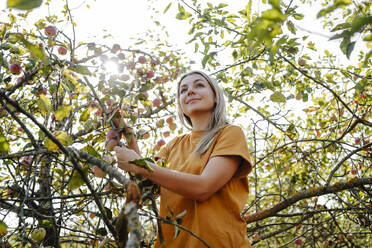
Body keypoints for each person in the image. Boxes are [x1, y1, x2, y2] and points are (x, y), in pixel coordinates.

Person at [115, 70, 253, 247]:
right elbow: (147, 182)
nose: (190, 92)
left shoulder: (229, 133)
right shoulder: (174, 145)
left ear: (216, 97)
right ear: (180, 104)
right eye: (183, 90)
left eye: (199, 85)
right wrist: (128, 136)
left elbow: (204, 187)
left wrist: (139, 165)